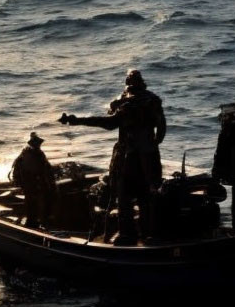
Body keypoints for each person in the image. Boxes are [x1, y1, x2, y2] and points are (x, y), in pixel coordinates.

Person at [59, 69, 166, 245]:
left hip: (129, 157)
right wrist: (150, 144)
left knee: (124, 196)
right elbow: (161, 131)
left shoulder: (128, 105)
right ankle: (149, 233)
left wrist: (77, 120)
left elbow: (108, 123)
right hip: (150, 156)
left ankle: (127, 234)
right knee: (147, 196)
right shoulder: (153, 101)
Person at [10, 132, 56, 228]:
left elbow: (45, 167)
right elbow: (35, 170)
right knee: (33, 203)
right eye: (37, 143)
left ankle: (38, 220)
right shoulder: (29, 155)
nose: (39, 145)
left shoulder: (35, 153)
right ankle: (33, 222)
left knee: (37, 202)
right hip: (31, 184)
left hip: (34, 183)